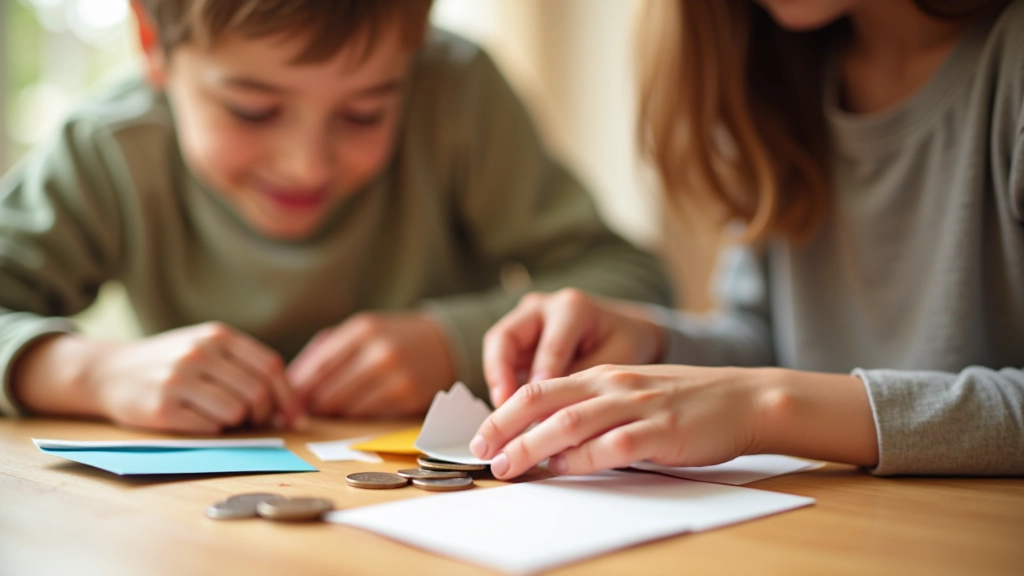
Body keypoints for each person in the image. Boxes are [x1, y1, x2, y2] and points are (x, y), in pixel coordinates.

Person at [0, 0, 670, 434]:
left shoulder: (456, 95)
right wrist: (95, 373)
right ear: (152, 42)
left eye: (364, 113)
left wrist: (453, 342)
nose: (307, 165)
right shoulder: (107, 148)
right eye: (252, 110)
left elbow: (632, 285)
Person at [471, 0, 1024, 479]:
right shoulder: (774, 71)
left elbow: (769, 389)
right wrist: (653, 343)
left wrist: (769, 407)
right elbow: (767, 338)